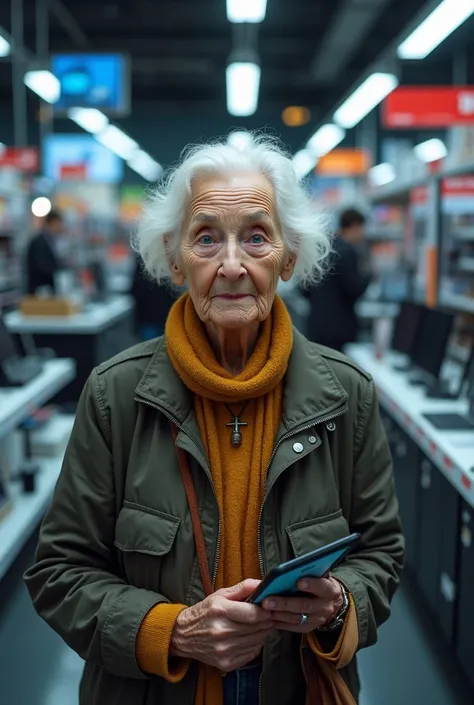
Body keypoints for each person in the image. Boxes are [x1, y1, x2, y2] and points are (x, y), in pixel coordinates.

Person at [24, 136, 404, 705]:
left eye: (256, 236)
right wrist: (172, 631)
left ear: (289, 255)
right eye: (206, 238)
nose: (231, 265)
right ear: (174, 259)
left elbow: (381, 553)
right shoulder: (115, 395)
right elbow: (59, 571)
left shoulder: (347, 395)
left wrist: (340, 604)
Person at [302, 208, 371, 351]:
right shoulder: (347, 252)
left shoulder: (323, 248)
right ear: (354, 226)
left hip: (316, 325)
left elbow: (303, 288)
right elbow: (354, 288)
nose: (363, 233)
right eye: (362, 228)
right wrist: (369, 276)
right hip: (339, 329)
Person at [130, 254, 177, 340]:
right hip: (166, 315)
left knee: (149, 348)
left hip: (147, 316)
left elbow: (135, 290)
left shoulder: (142, 262)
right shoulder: (169, 260)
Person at [25, 209, 66, 295]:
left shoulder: (51, 240)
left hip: (47, 291)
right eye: (59, 223)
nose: (61, 227)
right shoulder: (39, 242)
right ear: (53, 222)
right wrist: (59, 271)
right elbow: (42, 266)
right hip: (39, 292)